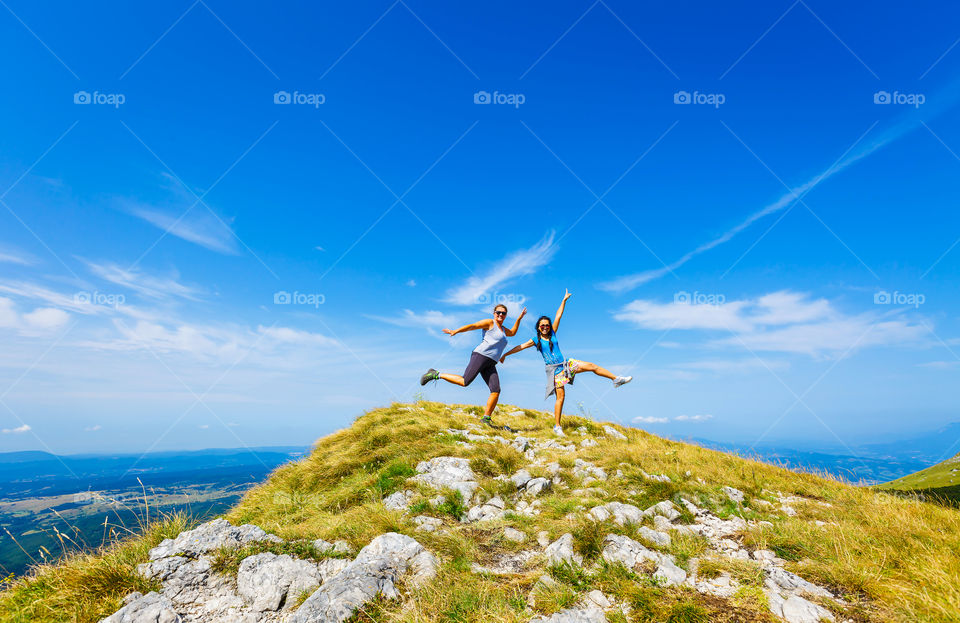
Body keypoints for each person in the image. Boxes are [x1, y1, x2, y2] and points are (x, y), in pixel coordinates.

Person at [499, 289, 631, 436]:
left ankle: (616, 379)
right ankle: (557, 426)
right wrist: (505, 354)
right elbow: (520, 347)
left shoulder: (553, 332)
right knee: (560, 397)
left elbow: (558, 315)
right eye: (542, 325)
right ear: (538, 327)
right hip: (555, 371)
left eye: (547, 325)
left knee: (592, 366)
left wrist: (564, 300)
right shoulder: (536, 340)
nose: (545, 327)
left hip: (566, 364)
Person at [420, 303, 527, 426]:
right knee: (465, 381)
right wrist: (456, 331)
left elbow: (513, 332)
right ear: (494, 313)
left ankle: (486, 419)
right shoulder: (490, 323)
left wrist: (519, 319)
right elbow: (473, 326)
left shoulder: (503, 330)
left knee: (496, 390)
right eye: (498, 312)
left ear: (505, 315)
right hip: (480, 356)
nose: (500, 315)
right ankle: (436, 374)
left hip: (491, 363)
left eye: (503, 313)